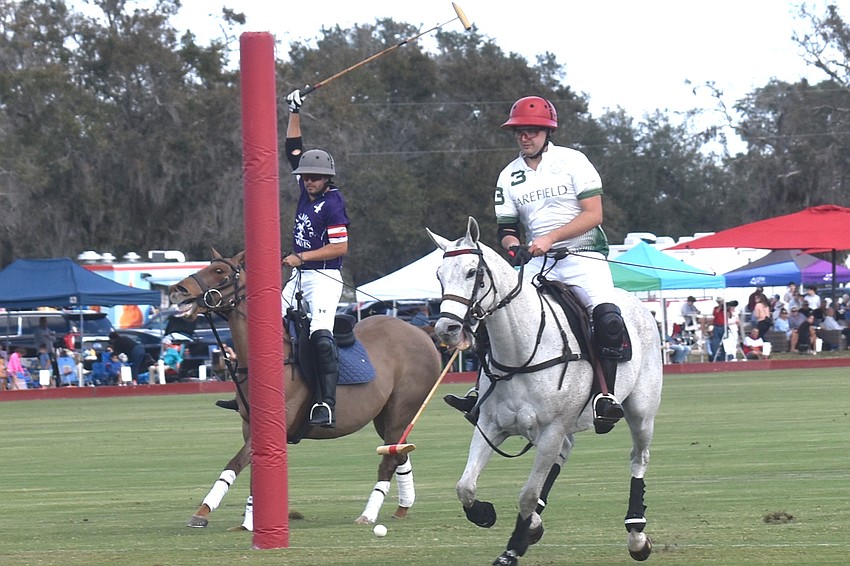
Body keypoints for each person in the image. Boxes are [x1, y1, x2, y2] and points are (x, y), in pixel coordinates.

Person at [445, 95, 625, 434]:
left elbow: (594, 214)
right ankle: (481, 390)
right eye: (519, 132)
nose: (524, 137)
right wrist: (515, 248)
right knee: (494, 313)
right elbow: (507, 230)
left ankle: (606, 396)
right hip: (539, 263)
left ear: (546, 132)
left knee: (608, 318)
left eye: (531, 131)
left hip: (583, 258)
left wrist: (550, 239)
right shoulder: (508, 175)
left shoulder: (573, 161)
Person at [279, 88, 350, 428]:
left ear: (327, 179)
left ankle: (326, 403)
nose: (309, 181)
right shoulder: (305, 192)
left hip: (323, 277)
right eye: (306, 177)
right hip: (300, 274)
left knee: (321, 335)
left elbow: (340, 248)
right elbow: (294, 151)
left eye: (315, 177)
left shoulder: (333, 203)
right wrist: (294, 111)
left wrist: (300, 257)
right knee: (266, 325)